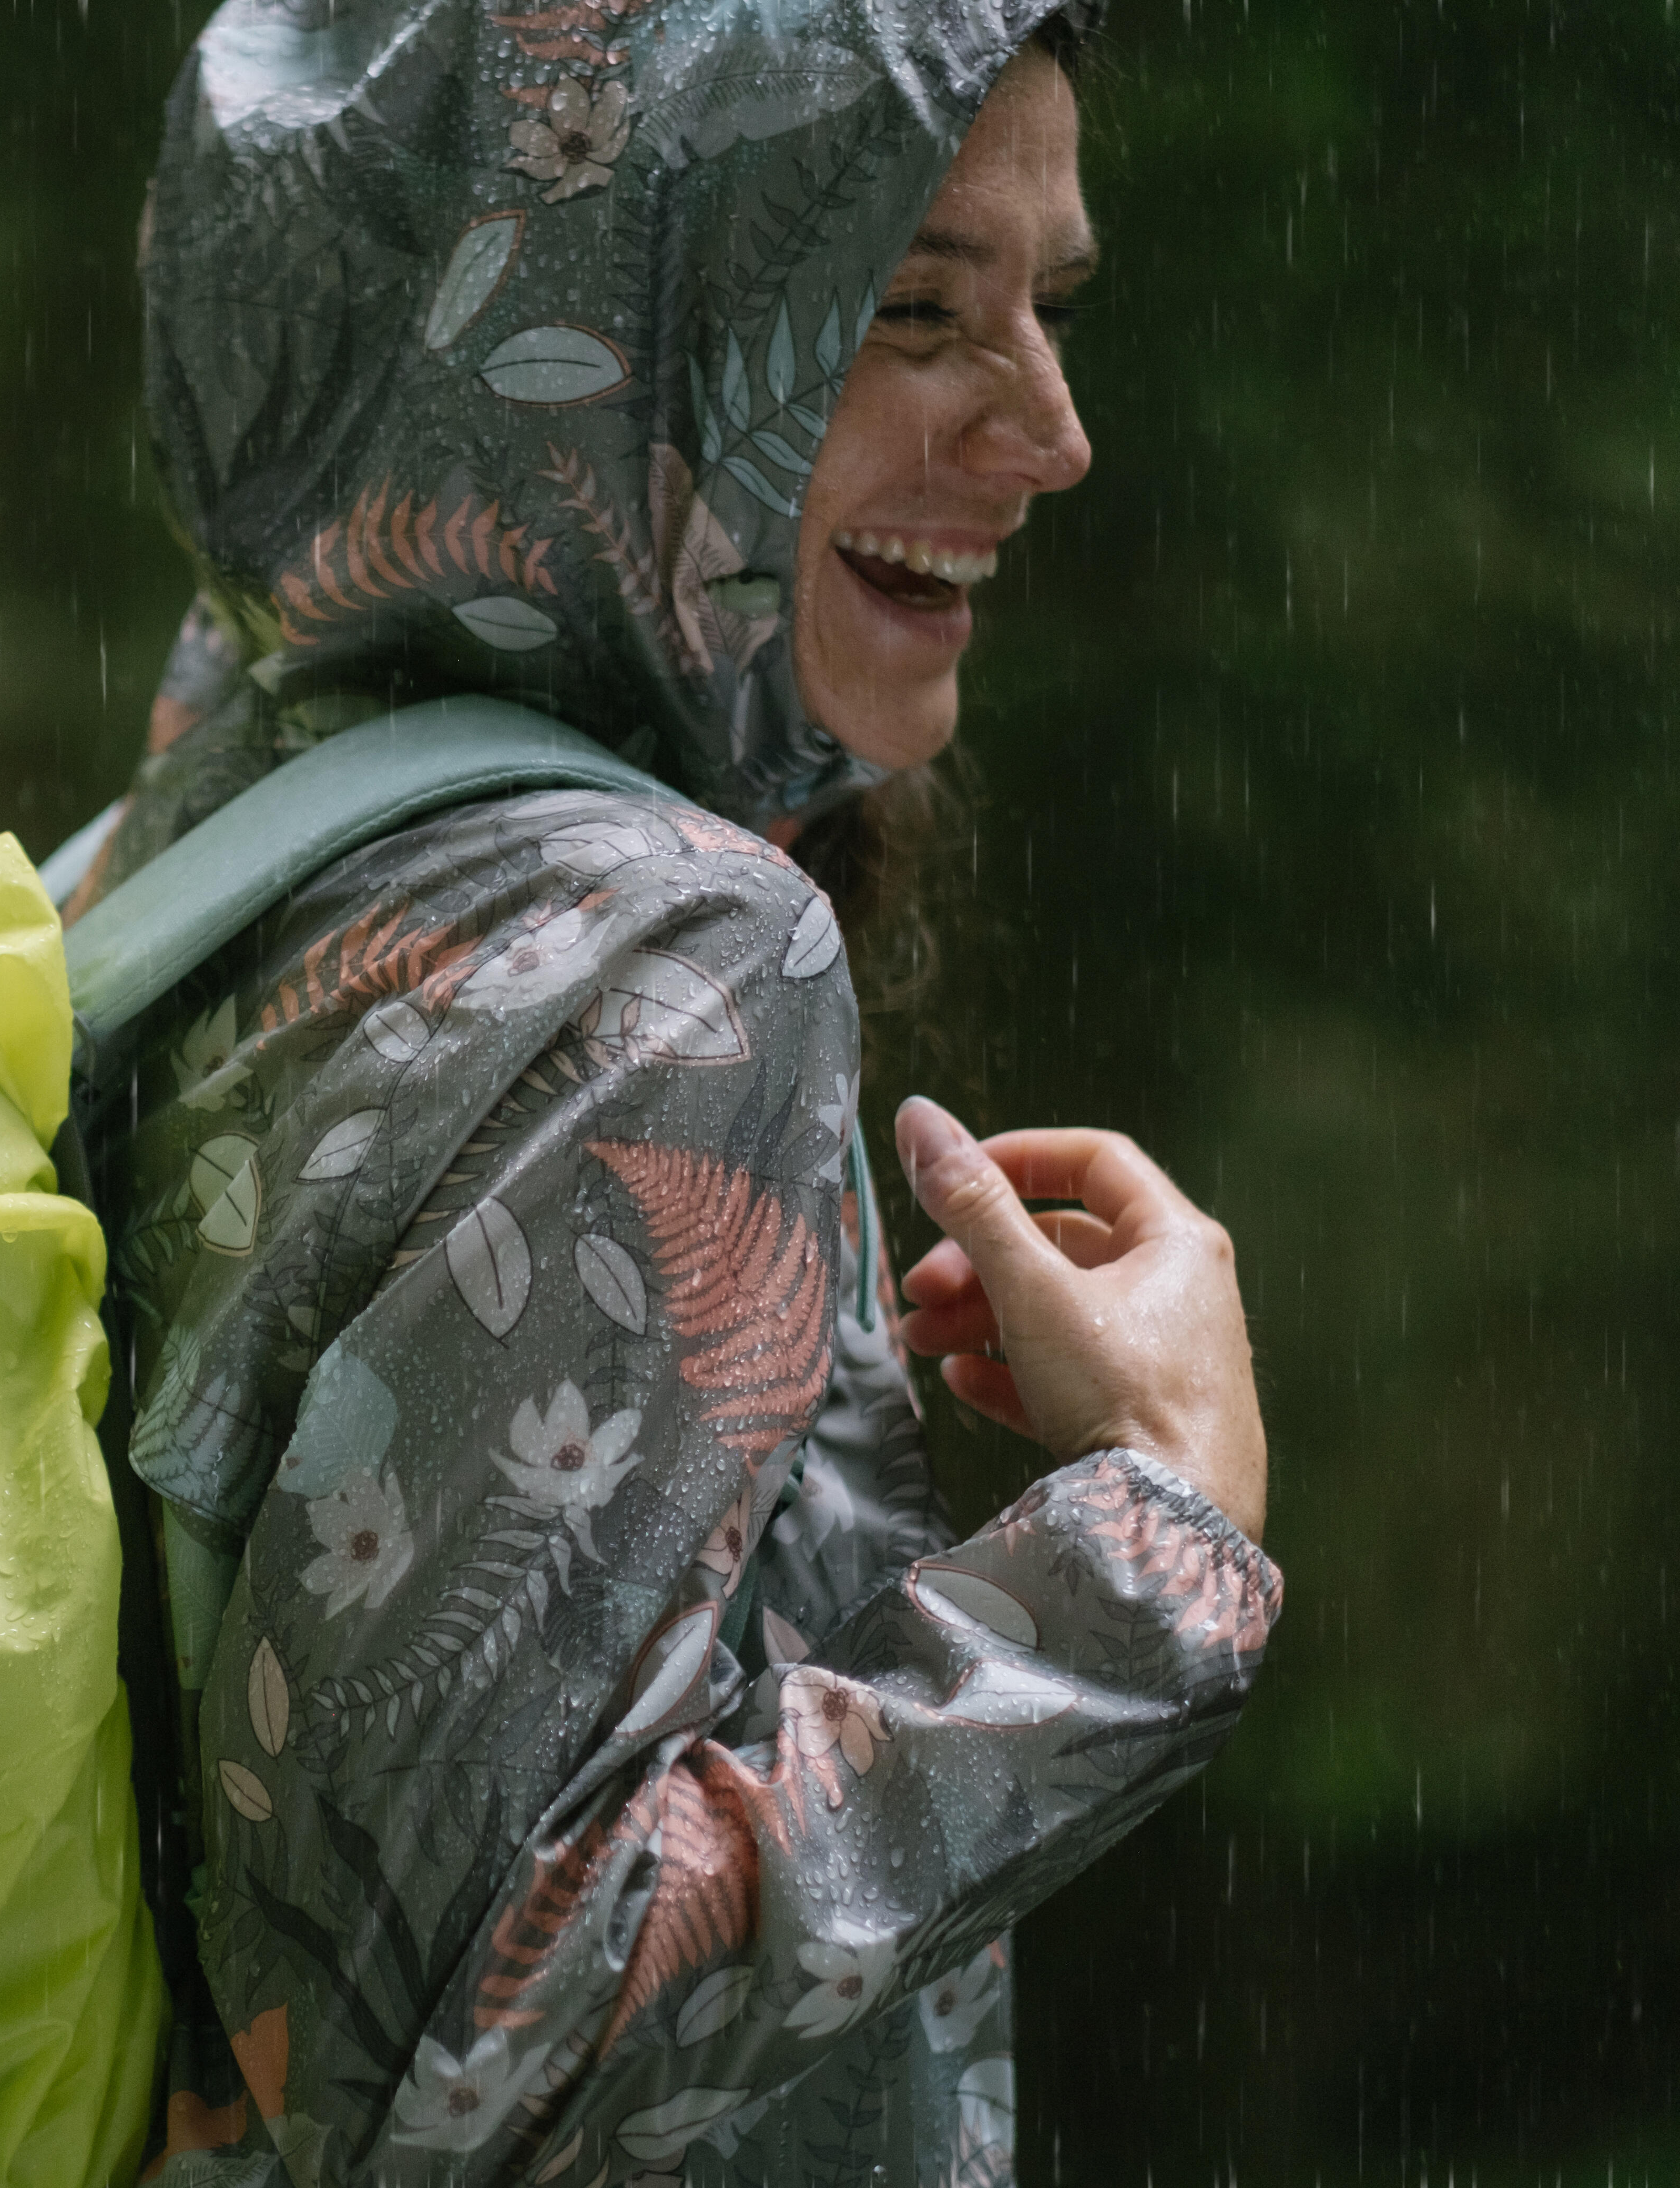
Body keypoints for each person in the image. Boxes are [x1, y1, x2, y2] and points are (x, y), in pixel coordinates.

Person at [62, 1, 1280, 2179]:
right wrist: (1141, 1561)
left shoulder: (236, 797)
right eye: (913, 313)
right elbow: (467, 2068)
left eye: (1049, 310)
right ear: (602, 338)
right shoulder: (664, 945)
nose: (1054, 431)